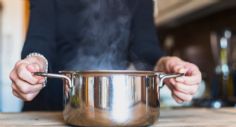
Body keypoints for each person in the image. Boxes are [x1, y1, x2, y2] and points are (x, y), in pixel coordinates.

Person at [9, 0, 202, 111]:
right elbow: (39, 40)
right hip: (48, 112)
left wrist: (166, 64)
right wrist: (33, 63)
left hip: (114, 111)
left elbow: (145, 48)